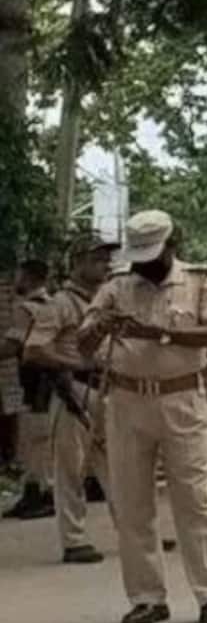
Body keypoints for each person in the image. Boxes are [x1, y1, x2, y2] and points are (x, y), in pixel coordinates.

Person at [77, 210, 207, 623]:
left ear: (172, 245)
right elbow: (82, 341)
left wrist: (157, 333)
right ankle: (147, 597)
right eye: (139, 256)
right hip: (127, 399)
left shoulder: (202, 280)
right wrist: (98, 328)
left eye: (152, 255)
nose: (145, 265)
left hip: (182, 395)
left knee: (194, 500)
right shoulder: (117, 286)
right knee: (131, 503)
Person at [23, 233, 119, 563]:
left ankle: (134, 531)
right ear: (77, 262)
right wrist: (75, 363)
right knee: (72, 469)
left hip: (110, 388)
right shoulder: (60, 303)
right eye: (97, 258)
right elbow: (35, 350)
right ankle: (74, 538)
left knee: (120, 465)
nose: (105, 264)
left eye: (107, 258)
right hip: (75, 388)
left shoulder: (108, 298)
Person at [2, 259, 54, 519]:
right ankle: (40, 491)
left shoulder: (27, 309)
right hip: (53, 378)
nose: (15, 281)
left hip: (34, 379)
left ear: (31, 278)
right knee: (43, 440)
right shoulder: (54, 305)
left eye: (19, 276)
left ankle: (39, 494)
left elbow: (13, 345)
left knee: (33, 441)